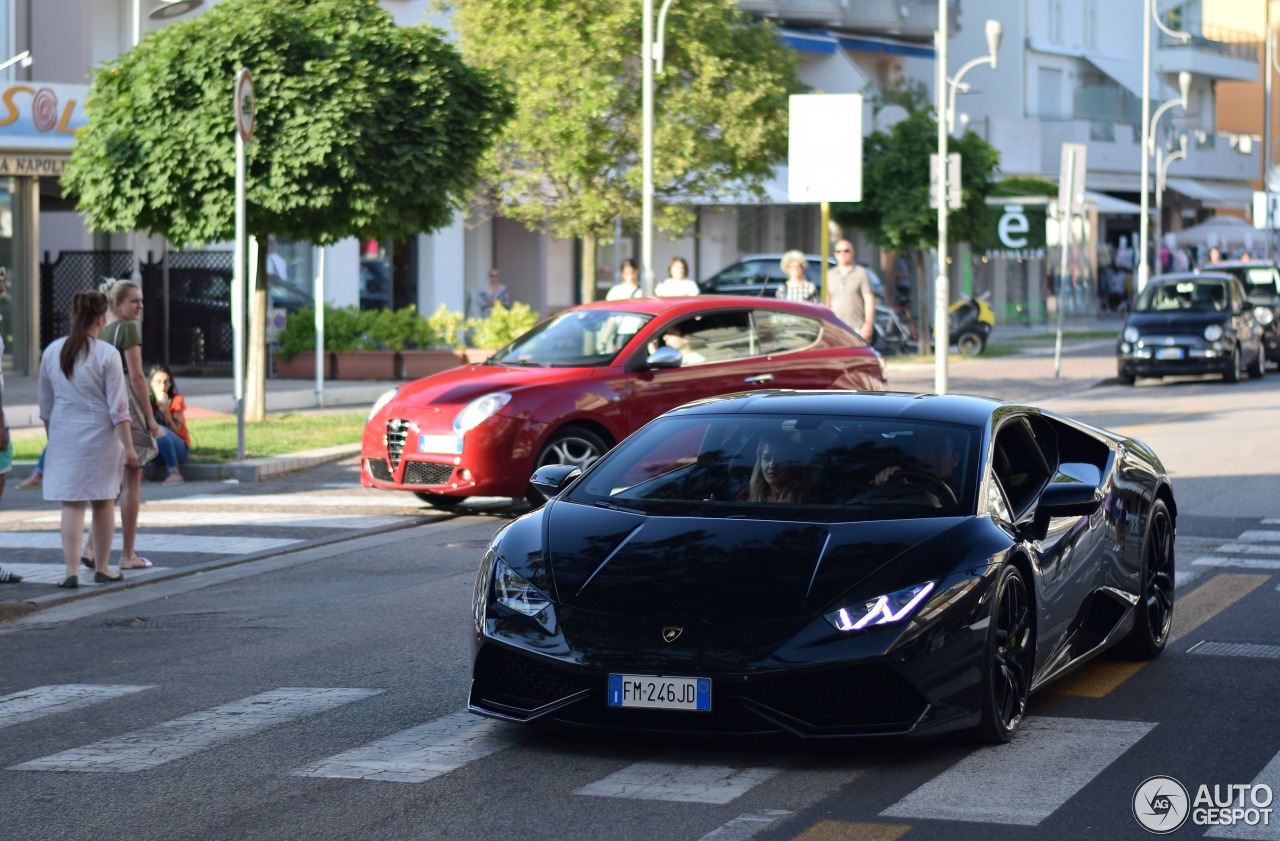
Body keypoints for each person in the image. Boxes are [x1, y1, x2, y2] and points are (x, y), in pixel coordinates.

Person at [38, 289, 137, 589]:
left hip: (64, 437)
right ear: (100, 318)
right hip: (99, 439)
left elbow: (45, 407)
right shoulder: (107, 354)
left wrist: (53, 438)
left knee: (72, 504)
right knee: (103, 503)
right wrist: (130, 447)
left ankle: (71, 570)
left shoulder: (52, 351)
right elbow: (119, 408)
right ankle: (103, 567)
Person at [90, 278, 161, 571]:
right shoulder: (127, 329)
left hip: (106, 407)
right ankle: (128, 554)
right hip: (128, 407)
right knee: (132, 478)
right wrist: (150, 416)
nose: (140, 306)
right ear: (118, 304)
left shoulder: (103, 330)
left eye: (141, 300)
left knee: (112, 481)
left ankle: (91, 547)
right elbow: (137, 377)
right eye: (134, 301)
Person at [826, 240, 876, 342]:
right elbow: (827, 302)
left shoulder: (861, 273)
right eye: (838, 251)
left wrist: (868, 323)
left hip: (857, 327)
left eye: (846, 251)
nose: (842, 254)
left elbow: (869, 300)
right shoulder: (829, 275)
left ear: (853, 252)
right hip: (836, 326)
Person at [149, 364, 191, 484]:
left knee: (158, 429)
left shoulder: (176, 400)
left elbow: (176, 431)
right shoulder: (146, 402)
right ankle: (141, 472)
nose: (163, 386)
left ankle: (175, 473)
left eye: (166, 382)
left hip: (179, 449)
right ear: (150, 383)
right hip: (155, 452)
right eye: (158, 382)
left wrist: (166, 413)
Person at [748, 428, 813, 503]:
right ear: (760, 462)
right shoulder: (749, 497)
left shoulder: (808, 501)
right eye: (767, 458)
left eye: (781, 459)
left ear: (794, 465)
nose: (772, 465)